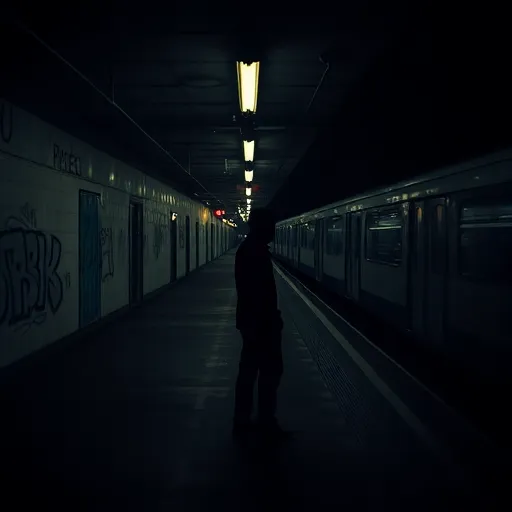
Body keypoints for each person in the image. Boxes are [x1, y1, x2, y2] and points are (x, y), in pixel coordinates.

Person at [233, 208, 287, 439]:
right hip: (260, 324)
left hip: (255, 322)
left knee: (252, 373)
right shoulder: (254, 252)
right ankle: (263, 423)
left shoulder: (251, 249)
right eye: (270, 225)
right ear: (261, 226)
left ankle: (246, 420)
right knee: (268, 374)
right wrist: (268, 321)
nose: (273, 230)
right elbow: (256, 292)